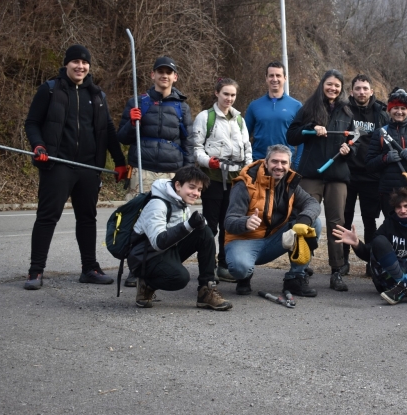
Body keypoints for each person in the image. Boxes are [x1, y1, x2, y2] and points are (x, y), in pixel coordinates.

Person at [24, 44, 128, 289]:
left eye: (84, 63)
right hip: (57, 163)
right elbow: (32, 123)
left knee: (87, 218)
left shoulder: (97, 95)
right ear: (66, 64)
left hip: (89, 167)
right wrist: (38, 146)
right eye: (75, 62)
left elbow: (109, 131)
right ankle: (35, 271)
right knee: (47, 217)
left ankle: (89, 268)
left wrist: (120, 162)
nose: (80, 66)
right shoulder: (50, 90)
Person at [117, 55, 194, 287]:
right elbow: (122, 137)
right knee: (138, 220)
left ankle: (164, 264)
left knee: (171, 221)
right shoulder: (137, 102)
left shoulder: (182, 106)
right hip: (144, 169)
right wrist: (131, 123)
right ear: (152, 75)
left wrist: (188, 174)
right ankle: (135, 267)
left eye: (168, 72)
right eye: (160, 71)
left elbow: (188, 141)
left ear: (175, 77)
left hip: (172, 174)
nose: (164, 75)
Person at [286, 70, 355, 292]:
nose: (333, 88)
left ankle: (337, 271)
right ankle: (300, 269)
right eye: (329, 84)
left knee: (337, 223)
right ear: (322, 85)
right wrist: (311, 130)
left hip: (337, 175)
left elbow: (356, 142)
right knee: (304, 220)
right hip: (311, 173)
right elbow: (292, 135)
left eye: (337, 85)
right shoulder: (308, 108)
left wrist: (348, 149)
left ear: (341, 88)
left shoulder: (347, 111)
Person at [223, 145, 321, 297]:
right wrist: (245, 222)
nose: (279, 166)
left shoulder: (290, 182)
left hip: (274, 239)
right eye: (275, 161)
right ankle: (244, 277)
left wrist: (303, 220)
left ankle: (294, 278)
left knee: (313, 224)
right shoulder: (245, 183)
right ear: (266, 162)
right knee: (240, 268)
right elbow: (229, 222)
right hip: (246, 239)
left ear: (289, 165)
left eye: (284, 163)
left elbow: (312, 203)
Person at [129, 166, 232, 310]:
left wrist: (199, 224)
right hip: (146, 258)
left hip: (166, 251)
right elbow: (159, 242)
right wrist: (188, 225)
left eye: (199, 190)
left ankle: (206, 291)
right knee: (179, 278)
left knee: (205, 232)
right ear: (177, 185)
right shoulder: (157, 204)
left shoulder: (180, 202)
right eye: (192, 187)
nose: (196, 193)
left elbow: (184, 232)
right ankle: (147, 284)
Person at [333, 189, 407, 305]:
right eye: (399, 207)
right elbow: (370, 253)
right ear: (394, 209)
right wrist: (357, 244)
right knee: (379, 241)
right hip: (391, 282)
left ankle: (401, 288)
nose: (403, 210)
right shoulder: (389, 224)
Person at [192, 78, 253, 284]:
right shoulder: (205, 117)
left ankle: (224, 265)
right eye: (225, 94)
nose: (229, 98)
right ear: (216, 93)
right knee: (211, 225)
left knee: (229, 224)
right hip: (213, 179)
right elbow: (197, 148)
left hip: (236, 180)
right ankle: (207, 268)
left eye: (233, 95)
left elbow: (247, 148)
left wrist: (248, 172)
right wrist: (208, 162)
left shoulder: (239, 120)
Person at [341, 74, 389, 275]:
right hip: (347, 173)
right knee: (344, 218)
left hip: (371, 174)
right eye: (358, 88)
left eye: (365, 88)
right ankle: (342, 262)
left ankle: (370, 262)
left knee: (370, 220)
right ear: (352, 91)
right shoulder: (343, 110)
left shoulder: (380, 113)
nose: (361, 92)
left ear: (371, 91)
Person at [245, 62, 302, 167]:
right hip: (259, 162)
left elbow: (302, 139)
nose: (274, 79)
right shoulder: (254, 105)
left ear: (285, 78)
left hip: (284, 164)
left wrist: (297, 163)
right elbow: (244, 137)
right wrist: (247, 161)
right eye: (271, 75)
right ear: (266, 78)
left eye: (278, 75)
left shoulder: (296, 106)